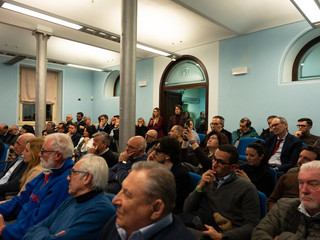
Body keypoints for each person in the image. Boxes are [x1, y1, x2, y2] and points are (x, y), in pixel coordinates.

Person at [23, 154, 116, 240]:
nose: (68, 178)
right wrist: (49, 235)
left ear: (87, 178)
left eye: (72, 173)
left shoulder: (100, 211)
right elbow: (31, 230)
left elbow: (37, 230)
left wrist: (45, 231)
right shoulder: (71, 200)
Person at [0, 133, 74, 239]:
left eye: (43, 151)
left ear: (58, 155)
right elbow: (21, 200)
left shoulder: (64, 182)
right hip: (19, 224)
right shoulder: (48, 172)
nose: (39, 154)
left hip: (25, 232)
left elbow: (39, 221)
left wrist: (4, 230)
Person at [98, 161, 195, 240]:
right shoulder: (119, 220)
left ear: (156, 209)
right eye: (121, 190)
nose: (115, 200)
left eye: (127, 194)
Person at [183, 144, 260, 240]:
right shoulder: (207, 179)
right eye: (214, 159)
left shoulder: (246, 189)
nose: (214, 165)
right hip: (202, 226)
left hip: (225, 234)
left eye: (220, 163)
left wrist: (222, 236)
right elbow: (186, 209)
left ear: (233, 167)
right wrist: (200, 187)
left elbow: (252, 226)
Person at [251, 161, 320, 239]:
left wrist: (283, 237)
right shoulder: (284, 206)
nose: (304, 190)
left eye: (313, 184)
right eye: (301, 183)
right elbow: (258, 234)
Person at [148, 136, 194, 214]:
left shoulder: (180, 176)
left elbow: (164, 201)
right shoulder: (159, 168)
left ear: (167, 156)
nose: (153, 153)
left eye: (157, 150)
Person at [267, 145, 320, 211]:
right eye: (300, 157)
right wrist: (280, 213)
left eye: (306, 159)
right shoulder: (286, 178)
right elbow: (271, 201)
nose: (300, 161)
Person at [0, 133, 35, 200]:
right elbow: (6, 174)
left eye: (18, 144)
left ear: (27, 145)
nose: (15, 146)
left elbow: (15, 184)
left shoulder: (28, 162)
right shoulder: (19, 157)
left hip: (5, 193)